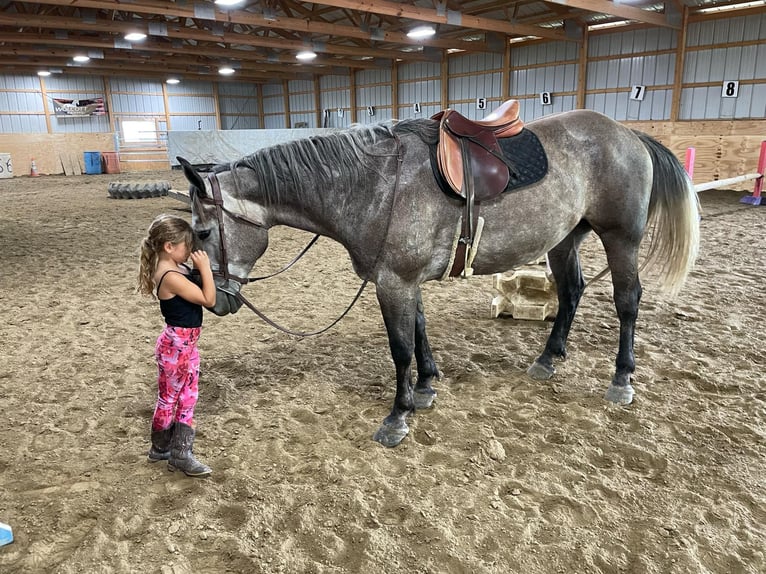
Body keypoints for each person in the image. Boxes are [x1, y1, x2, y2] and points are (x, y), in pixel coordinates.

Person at [137, 214, 217, 477]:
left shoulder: (171, 266)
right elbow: (208, 298)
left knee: (173, 397)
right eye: (186, 247)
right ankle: (180, 454)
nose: (190, 252)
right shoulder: (170, 274)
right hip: (178, 346)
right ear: (169, 247)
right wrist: (204, 269)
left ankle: (160, 448)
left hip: (182, 346)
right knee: (183, 398)